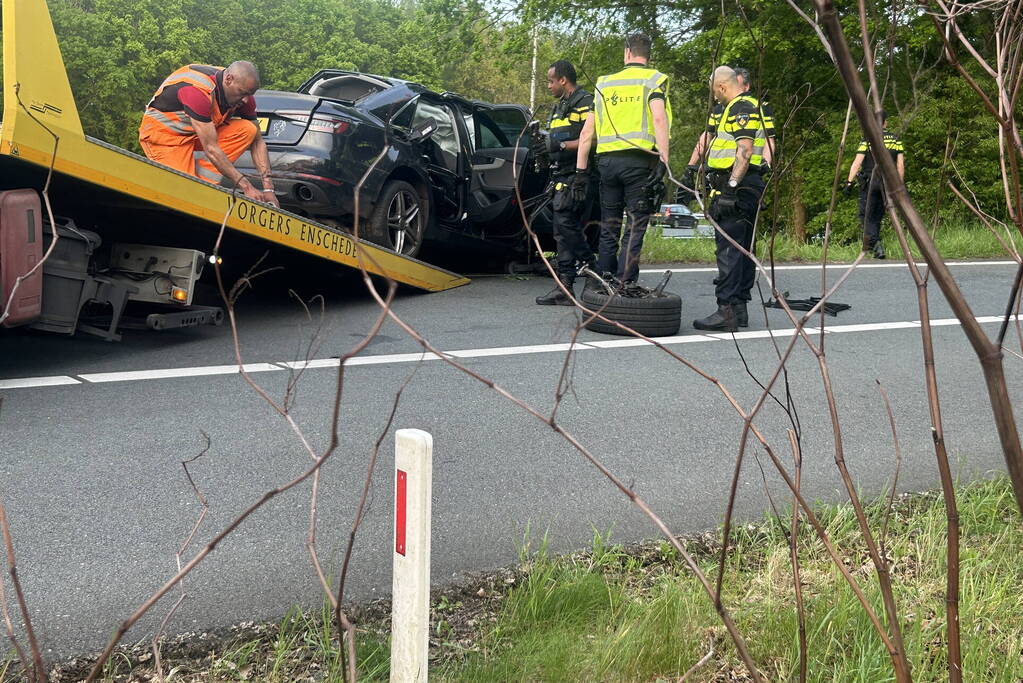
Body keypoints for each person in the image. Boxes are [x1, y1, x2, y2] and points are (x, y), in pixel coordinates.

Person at [573, 33, 671, 285]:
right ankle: (624, 283)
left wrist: (581, 172)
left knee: (610, 225)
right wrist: (664, 162)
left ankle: (603, 280)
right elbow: (659, 119)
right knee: (635, 225)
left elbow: (587, 132)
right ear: (648, 55)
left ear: (627, 52)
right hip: (639, 163)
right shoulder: (653, 80)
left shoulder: (604, 84)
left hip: (606, 164)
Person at [139, 62, 278, 206]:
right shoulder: (197, 92)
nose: (246, 100)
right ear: (228, 79)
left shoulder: (241, 92)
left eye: (249, 94)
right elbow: (211, 149)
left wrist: (269, 189)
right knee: (183, 195)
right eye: (242, 92)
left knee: (249, 130)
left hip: (196, 133)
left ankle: (203, 187)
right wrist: (247, 187)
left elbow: (258, 141)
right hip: (165, 137)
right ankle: (193, 192)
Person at [692, 66, 767, 332]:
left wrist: (731, 188)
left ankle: (726, 310)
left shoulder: (739, 107)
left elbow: (744, 150)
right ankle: (739, 310)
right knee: (743, 249)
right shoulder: (749, 105)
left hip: (737, 186)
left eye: (715, 92)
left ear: (722, 87)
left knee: (729, 250)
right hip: (747, 185)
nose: (715, 98)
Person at [535, 60, 597, 306]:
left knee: (564, 222)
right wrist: (544, 149)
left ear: (563, 80)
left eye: (551, 80)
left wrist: (558, 145)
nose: (548, 86)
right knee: (560, 232)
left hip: (579, 174)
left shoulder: (586, 102)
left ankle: (592, 265)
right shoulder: (558, 107)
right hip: (560, 173)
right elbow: (555, 139)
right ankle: (565, 287)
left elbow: (590, 139)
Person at [844, 110, 904, 259]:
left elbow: (857, 163)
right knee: (877, 216)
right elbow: (900, 165)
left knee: (865, 215)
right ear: (885, 122)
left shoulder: (868, 139)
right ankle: (872, 248)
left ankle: (876, 244)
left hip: (870, 182)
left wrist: (849, 182)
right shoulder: (895, 139)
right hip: (888, 183)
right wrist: (900, 186)